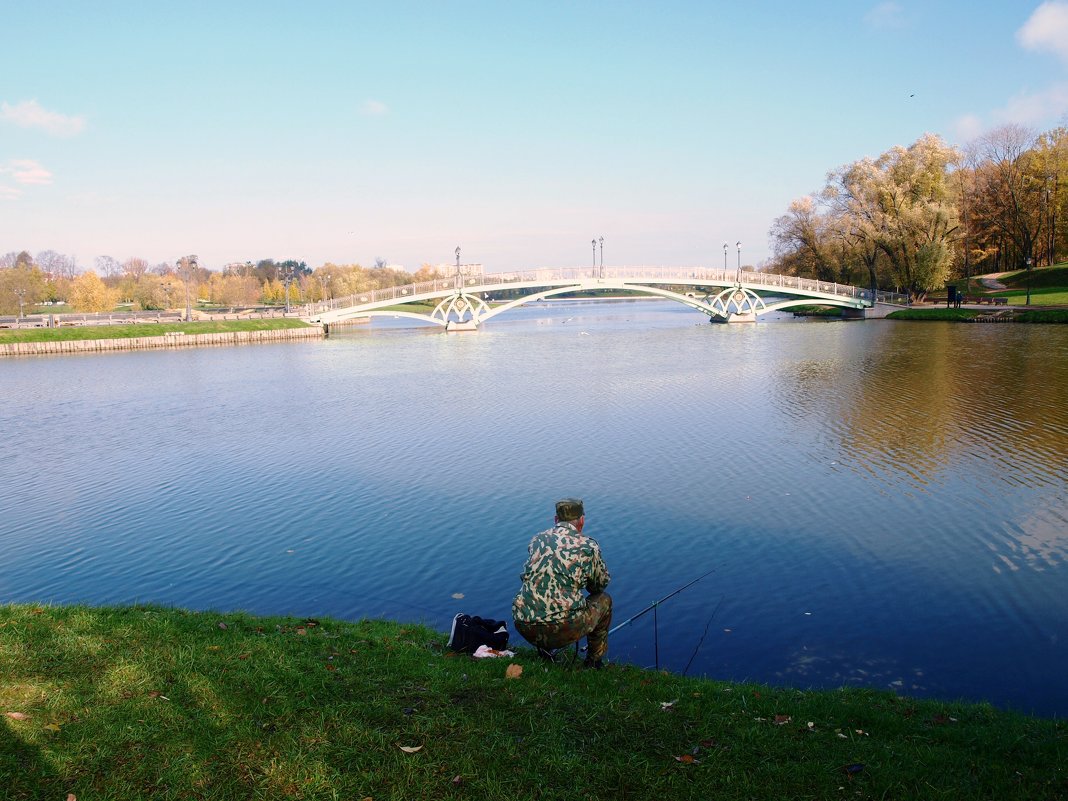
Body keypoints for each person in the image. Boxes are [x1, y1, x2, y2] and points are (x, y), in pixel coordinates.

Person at [512, 498, 612, 668]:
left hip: (524, 624)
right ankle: (594, 661)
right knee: (604, 600)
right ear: (581, 521)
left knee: (538, 593)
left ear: (556, 520)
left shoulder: (537, 540)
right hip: (563, 629)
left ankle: (544, 652)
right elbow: (598, 586)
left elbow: (526, 576)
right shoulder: (588, 546)